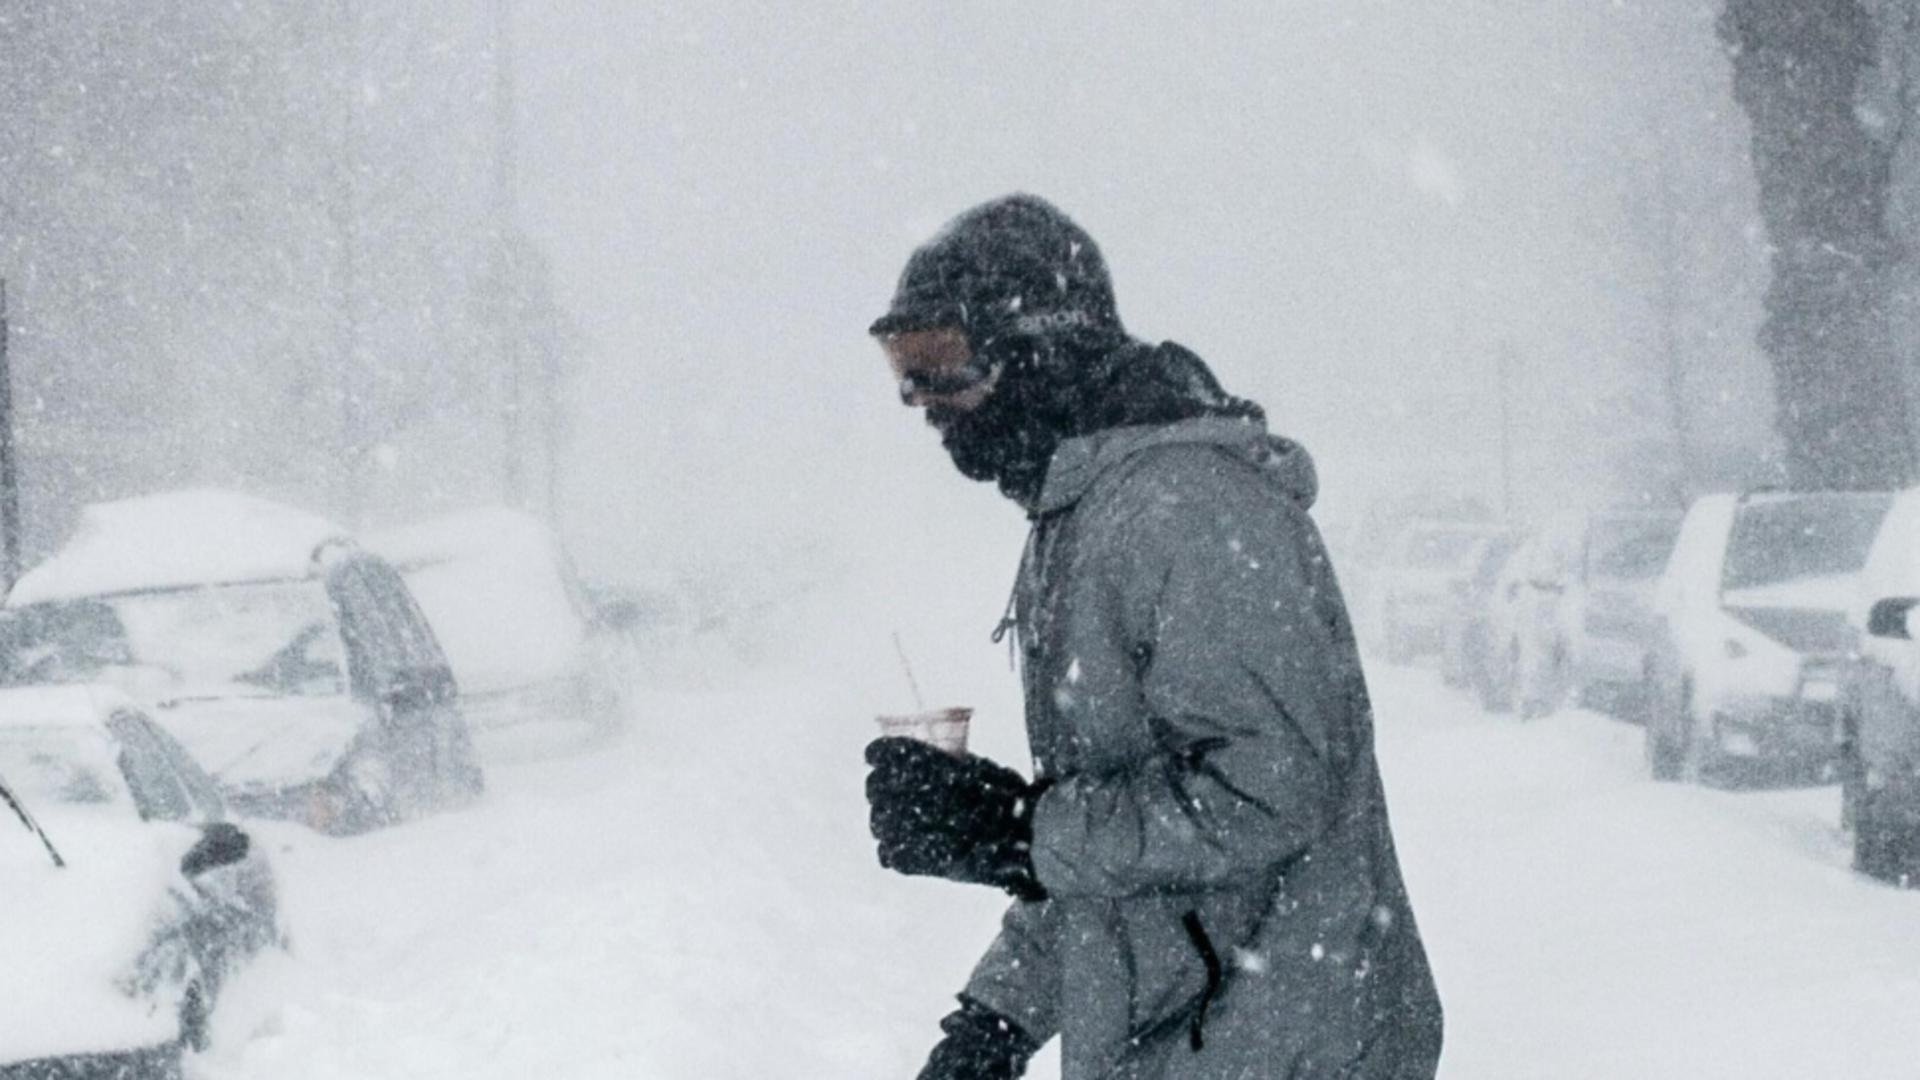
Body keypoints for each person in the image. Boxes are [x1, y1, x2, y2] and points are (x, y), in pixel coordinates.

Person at [862, 194, 1444, 1080]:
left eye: (943, 366)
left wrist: (1017, 830)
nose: (922, 403)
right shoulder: (1085, 518)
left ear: (1037, 352)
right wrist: (998, 1018)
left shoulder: (1186, 511)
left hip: (1285, 1052)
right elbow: (1121, 852)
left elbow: (1270, 790)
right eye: (904, 372)